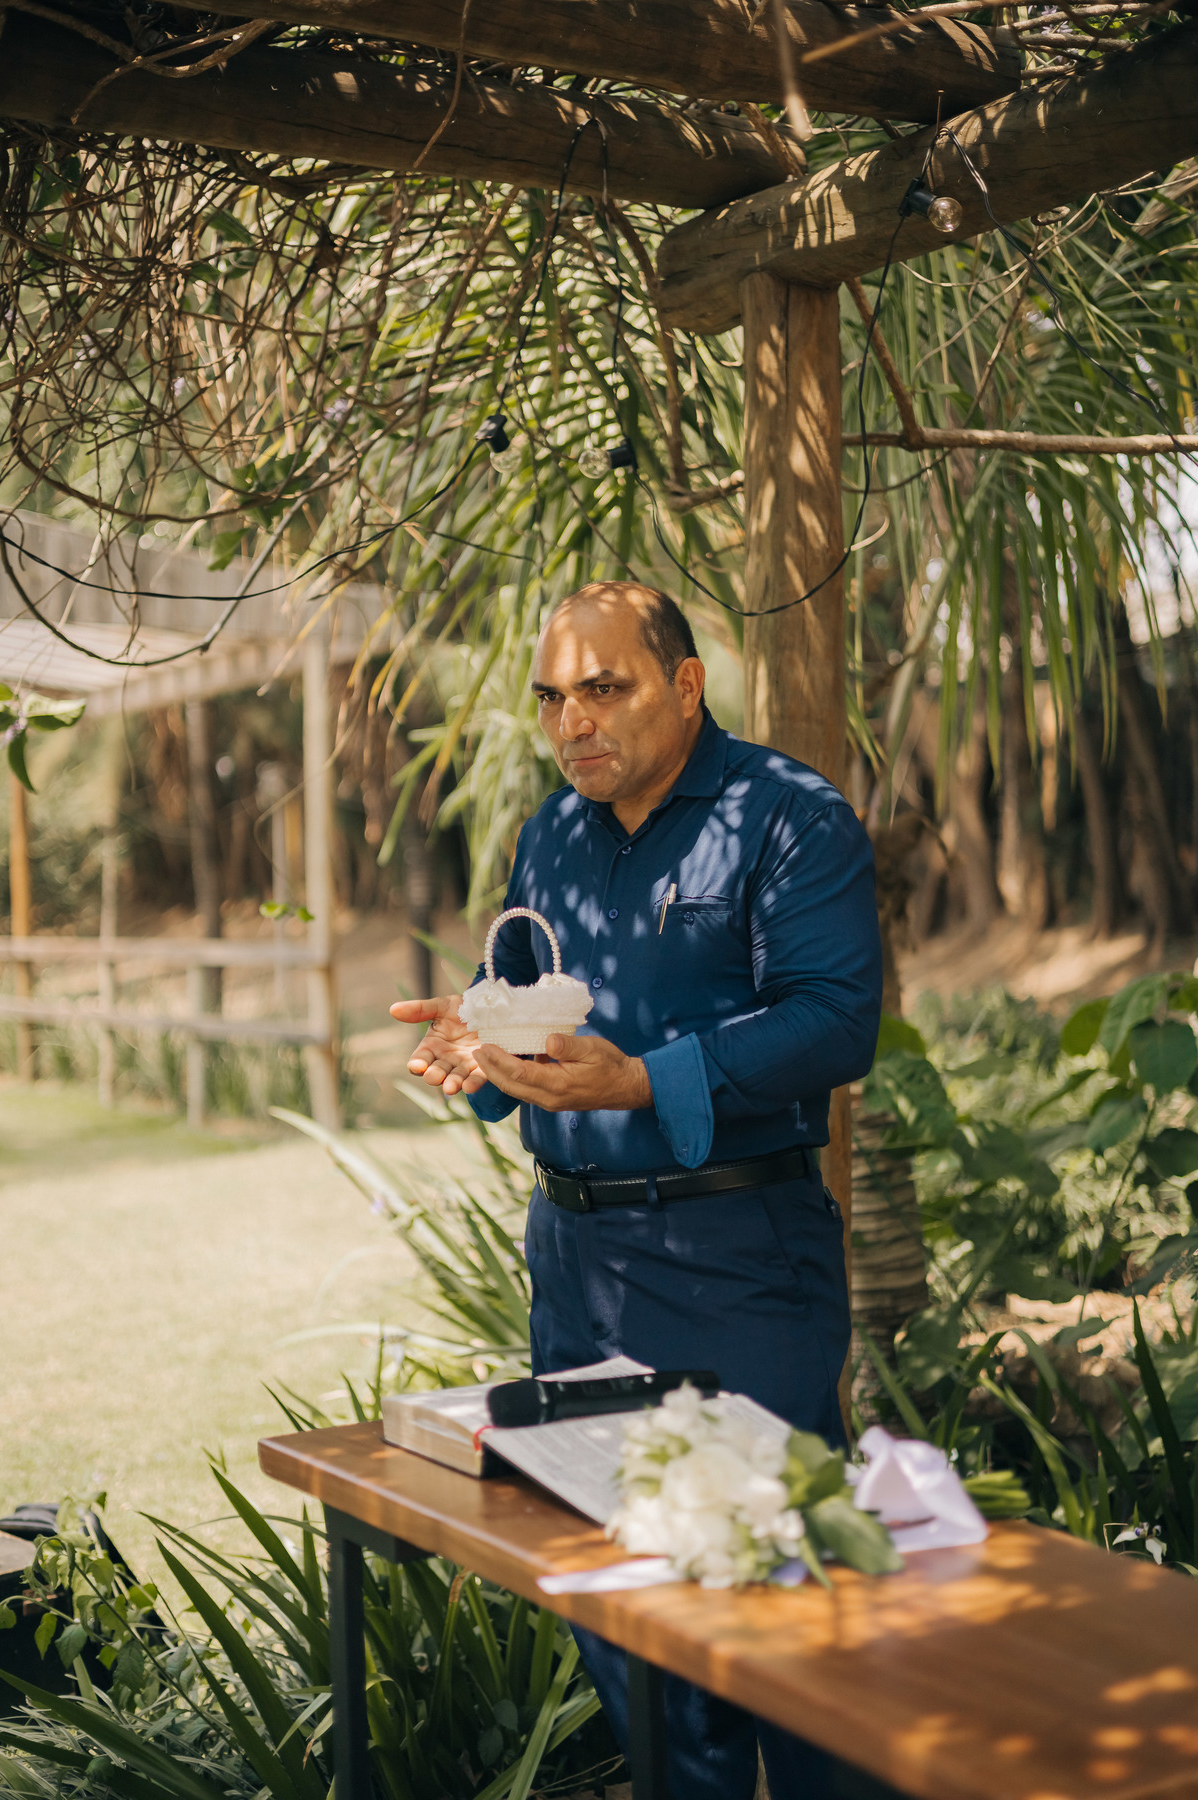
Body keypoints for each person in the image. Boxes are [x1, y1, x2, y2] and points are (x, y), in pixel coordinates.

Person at [392, 580, 882, 1799]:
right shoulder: (551, 836)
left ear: (686, 685)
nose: (573, 722)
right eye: (552, 698)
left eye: (603, 689)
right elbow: (532, 1006)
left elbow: (836, 1021)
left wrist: (643, 1080)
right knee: (628, 1619)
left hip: (738, 1263)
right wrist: (482, 1041)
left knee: (782, 1611)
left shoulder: (788, 816)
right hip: (575, 1271)